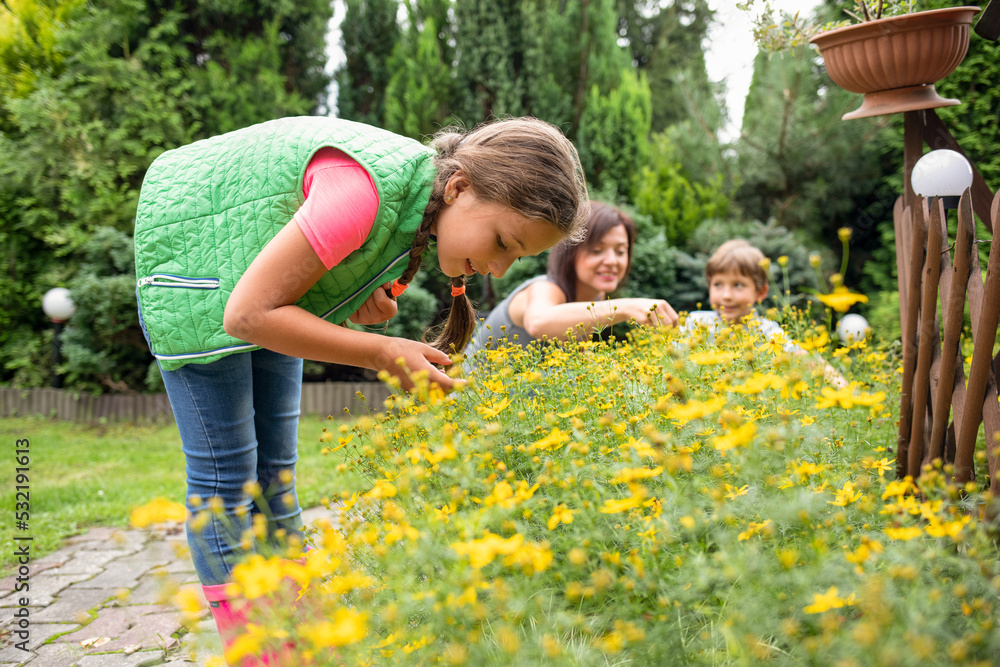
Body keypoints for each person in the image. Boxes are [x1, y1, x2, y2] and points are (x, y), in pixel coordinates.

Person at [133, 115, 589, 655]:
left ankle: (295, 639)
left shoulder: (420, 210)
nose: (498, 268)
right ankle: (262, 655)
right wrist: (382, 350)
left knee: (274, 479)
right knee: (225, 482)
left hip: (251, 288)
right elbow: (248, 316)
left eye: (517, 258)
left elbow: (306, 265)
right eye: (502, 242)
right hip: (196, 268)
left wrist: (358, 302)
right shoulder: (361, 195)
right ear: (459, 186)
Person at [464, 201, 678, 358]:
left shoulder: (596, 298)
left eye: (621, 251)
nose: (612, 261)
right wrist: (625, 307)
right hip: (469, 409)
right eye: (597, 250)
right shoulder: (543, 288)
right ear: (570, 253)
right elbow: (539, 322)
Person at [682, 239, 846, 386]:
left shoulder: (768, 332)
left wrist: (848, 392)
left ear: (760, 292)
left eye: (738, 285)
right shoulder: (695, 323)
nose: (726, 296)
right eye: (718, 284)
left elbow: (807, 359)